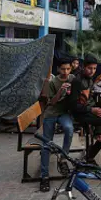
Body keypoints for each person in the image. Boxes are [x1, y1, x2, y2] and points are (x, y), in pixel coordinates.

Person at [40, 59, 76, 192]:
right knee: (46, 144)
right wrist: (61, 91)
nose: (65, 72)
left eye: (67, 69)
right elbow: (52, 103)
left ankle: (63, 159)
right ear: (58, 70)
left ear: (70, 69)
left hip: (63, 113)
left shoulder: (72, 78)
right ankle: (44, 176)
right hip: (51, 113)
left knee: (69, 128)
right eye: (63, 69)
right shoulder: (52, 82)